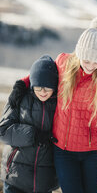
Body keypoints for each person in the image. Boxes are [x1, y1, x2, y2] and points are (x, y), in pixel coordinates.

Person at [7, 17, 97, 193]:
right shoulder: (63, 63)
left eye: (96, 62)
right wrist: (23, 84)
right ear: (79, 53)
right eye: (86, 60)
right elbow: (42, 74)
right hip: (63, 150)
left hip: (92, 152)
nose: (91, 66)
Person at [0, 55, 59, 193]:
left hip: (44, 181)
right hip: (15, 178)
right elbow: (3, 131)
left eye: (48, 88)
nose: (43, 92)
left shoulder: (60, 103)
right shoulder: (19, 98)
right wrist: (33, 135)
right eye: (38, 87)